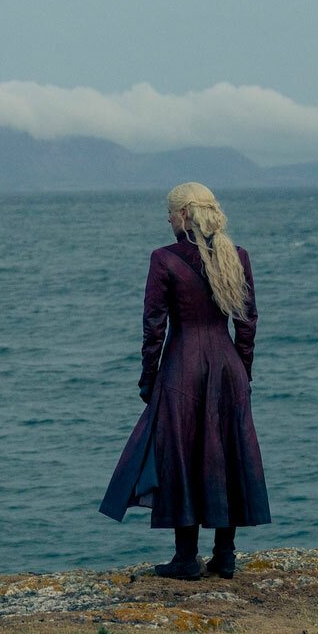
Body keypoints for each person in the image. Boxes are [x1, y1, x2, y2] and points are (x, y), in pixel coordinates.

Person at [99, 182, 270, 579]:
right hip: (227, 367)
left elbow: (153, 326)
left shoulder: (164, 260)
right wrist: (243, 373)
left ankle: (185, 558)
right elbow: (247, 322)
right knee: (225, 455)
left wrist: (147, 380)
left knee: (182, 455)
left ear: (185, 215)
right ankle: (225, 555)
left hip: (181, 368)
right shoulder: (237, 256)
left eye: (170, 213)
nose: (168, 220)